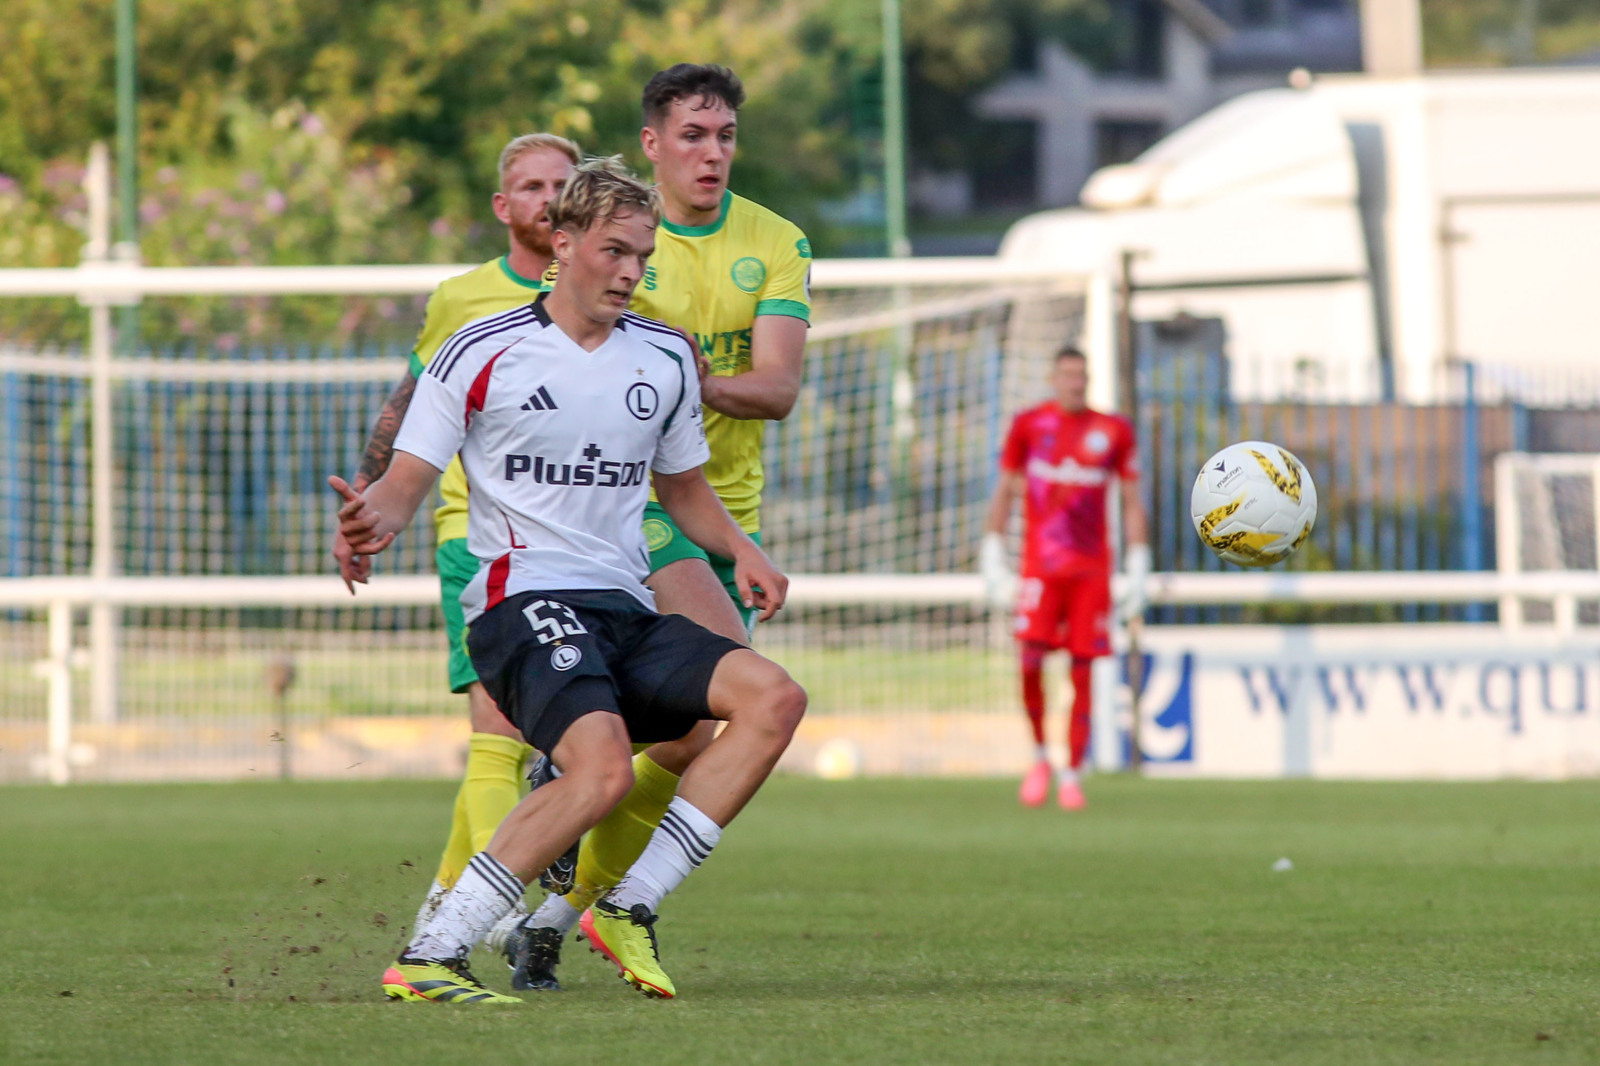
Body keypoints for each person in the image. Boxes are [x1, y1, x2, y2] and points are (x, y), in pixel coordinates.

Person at [334, 158, 807, 1004]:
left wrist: (743, 552)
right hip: (523, 603)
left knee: (774, 698)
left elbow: (684, 487)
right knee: (602, 773)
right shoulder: (480, 350)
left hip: (624, 607)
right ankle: (431, 953)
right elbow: (408, 479)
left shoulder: (662, 359)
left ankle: (628, 904)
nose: (631, 272)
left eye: (643, 256)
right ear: (563, 243)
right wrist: (372, 519)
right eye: (615, 251)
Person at [507, 62, 811, 990]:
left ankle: (555, 915)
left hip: (727, 513)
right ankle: (616, 896)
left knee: (684, 743)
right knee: (763, 696)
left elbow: (778, 389)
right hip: (639, 510)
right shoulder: (622, 239)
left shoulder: (777, 241)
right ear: (652, 143)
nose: (711, 153)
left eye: (723, 137)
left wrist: (686, 376)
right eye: (692, 136)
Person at [332, 132, 579, 942]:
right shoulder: (463, 299)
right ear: (504, 208)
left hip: (582, 545)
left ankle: (444, 908)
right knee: (495, 740)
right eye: (532, 187)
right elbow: (410, 406)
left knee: (600, 735)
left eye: (561, 184)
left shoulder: (611, 289)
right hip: (474, 541)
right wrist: (369, 502)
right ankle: (496, 912)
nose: (548, 198)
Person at [981, 347, 1149, 810]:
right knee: (1031, 662)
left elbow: (1132, 498)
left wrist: (1138, 560)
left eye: (1082, 375)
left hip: (1091, 570)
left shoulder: (1112, 431)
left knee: (1083, 670)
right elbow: (1004, 488)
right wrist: (992, 549)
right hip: (1041, 568)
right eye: (1067, 375)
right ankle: (1039, 756)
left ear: (1089, 379)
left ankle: (1072, 773)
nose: (1075, 382)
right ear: (1054, 378)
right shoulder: (1029, 425)